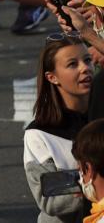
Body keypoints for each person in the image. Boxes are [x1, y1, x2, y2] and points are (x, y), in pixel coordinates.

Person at [24, 36, 92, 223]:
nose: (85, 68)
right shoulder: (40, 134)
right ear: (52, 77)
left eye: (87, 60)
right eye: (72, 64)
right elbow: (52, 201)